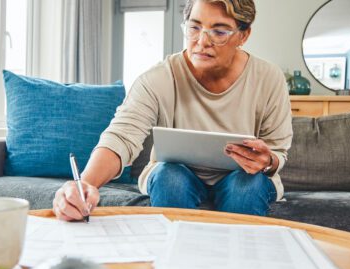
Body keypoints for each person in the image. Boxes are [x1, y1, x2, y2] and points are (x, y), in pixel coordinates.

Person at [53, 0, 293, 221]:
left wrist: (267, 160)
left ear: (244, 35)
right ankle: (175, 261)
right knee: (170, 176)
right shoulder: (158, 78)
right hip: (175, 176)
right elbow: (121, 137)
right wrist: (85, 185)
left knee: (247, 185)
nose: (202, 42)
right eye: (194, 27)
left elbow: (277, 152)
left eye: (219, 32)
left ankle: (236, 262)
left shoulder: (268, 78)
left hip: (241, 178)